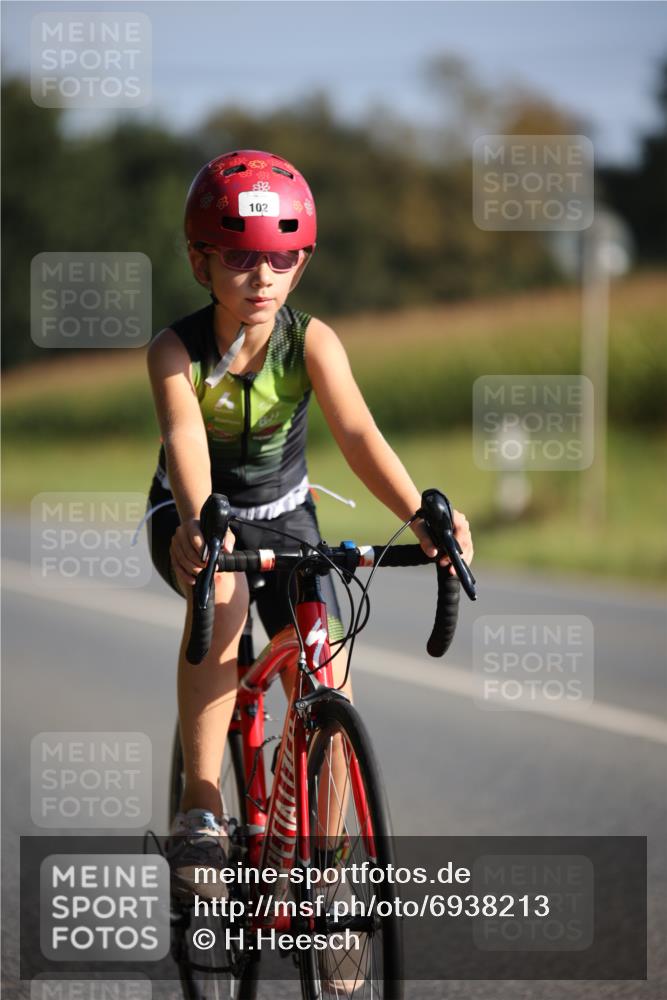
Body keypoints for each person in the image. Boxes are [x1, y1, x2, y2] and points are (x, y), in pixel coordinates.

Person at [144, 148, 474, 893]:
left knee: (327, 667)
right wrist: (199, 522)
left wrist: (420, 516)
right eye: (239, 257)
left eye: (282, 258)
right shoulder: (175, 351)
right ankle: (201, 805)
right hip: (191, 514)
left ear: (301, 263)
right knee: (223, 597)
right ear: (200, 261)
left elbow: (356, 434)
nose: (262, 276)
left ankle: (325, 871)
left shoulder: (311, 341)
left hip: (285, 512)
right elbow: (186, 438)